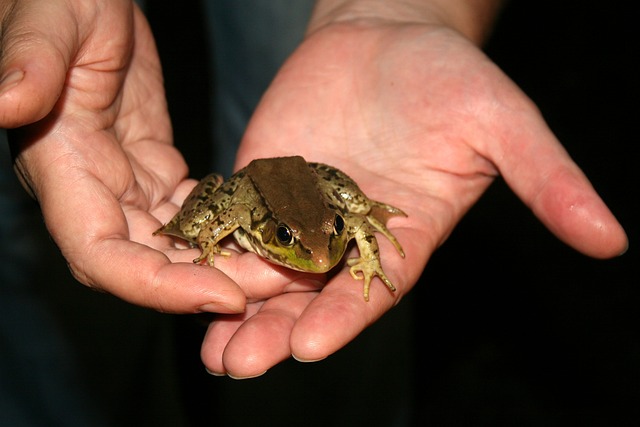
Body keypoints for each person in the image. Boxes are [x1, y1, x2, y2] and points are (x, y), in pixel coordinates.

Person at [0, 0, 627, 386]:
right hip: (261, 191)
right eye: (296, 246)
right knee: (57, 249)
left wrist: (404, 10)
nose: (322, 260)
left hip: (301, 185)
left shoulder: (327, 234)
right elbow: (224, 199)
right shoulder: (249, 211)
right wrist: (207, 239)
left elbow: (344, 230)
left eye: (328, 244)